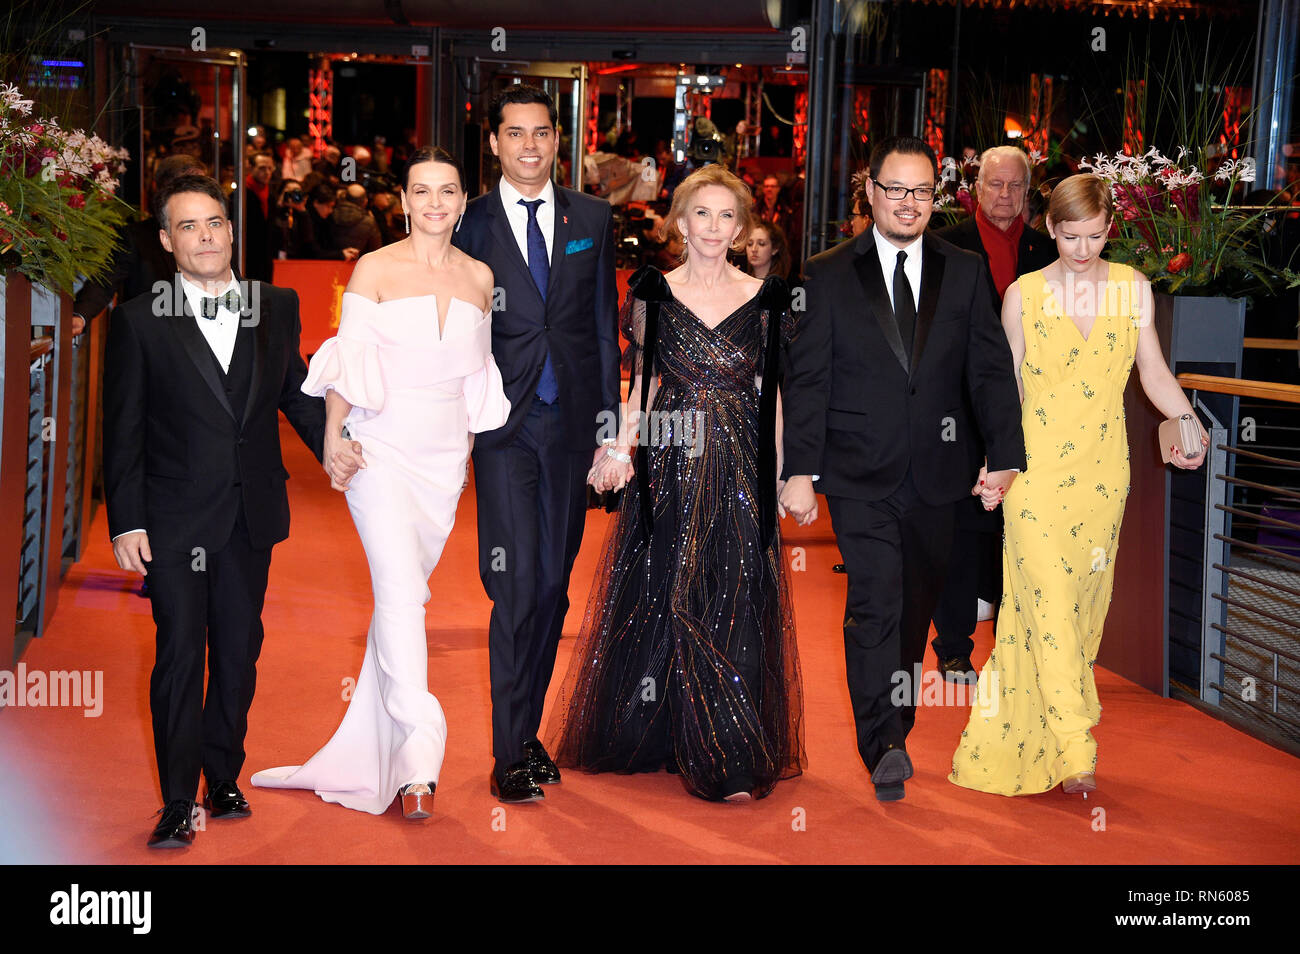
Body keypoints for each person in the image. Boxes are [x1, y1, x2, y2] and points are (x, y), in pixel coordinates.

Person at [252, 147, 510, 818]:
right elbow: (347, 359)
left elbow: (477, 378)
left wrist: (464, 455)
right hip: (381, 451)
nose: (433, 202)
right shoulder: (375, 267)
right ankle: (422, 755)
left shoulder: (482, 278)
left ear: (461, 202)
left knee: (401, 605)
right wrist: (337, 436)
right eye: (420, 190)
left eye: (446, 191)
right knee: (401, 593)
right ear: (402, 201)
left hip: (443, 460)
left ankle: (362, 757)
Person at [546, 165, 805, 801]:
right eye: (701, 215)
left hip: (742, 459)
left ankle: (731, 750)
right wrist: (618, 446)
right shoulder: (651, 295)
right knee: (665, 588)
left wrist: (789, 473)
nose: (713, 228)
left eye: (726, 216)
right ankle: (658, 731)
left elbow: (773, 397)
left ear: (741, 228)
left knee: (737, 591)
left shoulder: (770, 300)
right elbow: (645, 385)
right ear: (679, 224)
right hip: (671, 456)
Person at [780, 136, 1025, 802]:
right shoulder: (827, 273)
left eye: (922, 192)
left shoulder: (966, 270)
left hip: (940, 475)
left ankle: (898, 717)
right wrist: (798, 469)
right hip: (858, 472)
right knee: (875, 601)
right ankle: (881, 738)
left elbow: (989, 371)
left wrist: (1003, 455)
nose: (909, 203)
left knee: (915, 608)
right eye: (896, 190)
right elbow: (807, 379)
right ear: (871, 193)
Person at [950, 174, 1207, 797]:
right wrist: (996, 459)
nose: (1083, 249)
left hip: (1101, 474)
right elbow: (1001, 388)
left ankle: (1043, 731)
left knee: (1081, 608)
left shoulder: (1131, 290)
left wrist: (1187, 417)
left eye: (1094, 236)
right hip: (1034, 475)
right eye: (1069, 237)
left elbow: (1152, 371)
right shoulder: (1024, 295)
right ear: (1052, 230)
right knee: (1045, 600)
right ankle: (1074, 744)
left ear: (1109, 230)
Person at [103, 173, 336, 848]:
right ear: (166, 243)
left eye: (213, 224)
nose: (203, 238)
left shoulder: (276, 305)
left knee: (239, 650)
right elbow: (124, 428)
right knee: (180, 651)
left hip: (249, 515)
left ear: (232, 231)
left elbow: (296, 395)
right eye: (187, 227)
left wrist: (345, 457)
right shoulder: (139, 320)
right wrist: (126, 519)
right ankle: (178, 799)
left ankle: (221, 772)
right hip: (173, 517)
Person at [452, 84, 620, 804]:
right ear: (492, 143)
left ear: (559, 139)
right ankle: (506, 752)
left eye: (541, 133)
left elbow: (602, 328)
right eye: (514, 133)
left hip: (571, 430)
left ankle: (526, 735)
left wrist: (612, 430)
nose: (528, 145)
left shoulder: (592, 217)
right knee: (514, 588)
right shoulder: (468, 223)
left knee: (553, 587)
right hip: (501, 429)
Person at [930, 146, 1057, 681]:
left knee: (1021, 529)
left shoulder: (1050, 248)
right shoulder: (945, 245)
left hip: (1033, 409)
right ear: (975, 189)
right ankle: (954, 644)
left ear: (1028, 193)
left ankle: (1016, 646)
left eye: (1014, 187)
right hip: (958, 411)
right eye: (994, 185)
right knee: (961, 529)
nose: (1004, 196)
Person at [72, 154, 205, 334]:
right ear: (162, 190)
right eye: (185, 188)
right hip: (150, 341)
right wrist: (80, 315)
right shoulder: (136, 237)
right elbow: (104, 281)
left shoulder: (213, 236)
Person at [242, 152, 276, 282]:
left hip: (265, 260)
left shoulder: (271, 195)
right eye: (262, 168)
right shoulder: (241, 195)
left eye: (270, 168)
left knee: (264, 299)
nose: (267, 172)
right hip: (246, 259)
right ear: (251, 168)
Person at [305, 183, 359, 261]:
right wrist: (340, 254)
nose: (330, 211)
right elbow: (312, 253)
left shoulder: (327, 220)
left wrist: (344, 252)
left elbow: (330, 247)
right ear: (316, 203)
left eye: (332, 207)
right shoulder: (306, 220)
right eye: (328, 206)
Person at [330, 183, 383, 256]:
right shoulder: (369, 221)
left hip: (330, 260)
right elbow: (375, 250)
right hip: (357, 263)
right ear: (365, 201)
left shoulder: (330, 214)